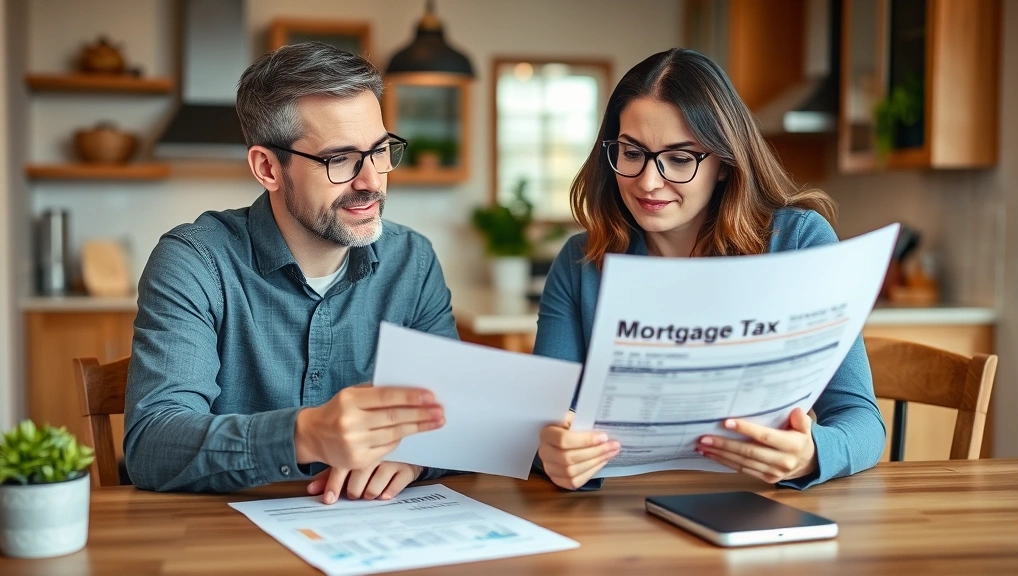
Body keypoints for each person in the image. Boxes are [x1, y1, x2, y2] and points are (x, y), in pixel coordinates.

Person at [533, 48, 885, 491]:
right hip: (618, 519)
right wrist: (551, 453)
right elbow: (545, 425)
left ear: (723, 164)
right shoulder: (580, 261)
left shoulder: (798, 243)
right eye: (631, 152)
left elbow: (863, 423)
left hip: (757, 507)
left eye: (680, 159)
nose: (648, 181)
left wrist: (811, 454)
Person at [125, 42, 456, 502]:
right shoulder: (195, 261)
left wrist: (418, 454)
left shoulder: (412, 261)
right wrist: (303, 434)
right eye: (339, 159)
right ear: (268, 168)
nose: (372, 181)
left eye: (379, 151)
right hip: (226, 541)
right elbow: (153, 444)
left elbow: (456, 412)